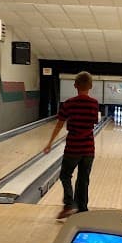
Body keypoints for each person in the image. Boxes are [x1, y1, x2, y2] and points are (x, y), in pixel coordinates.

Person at [43, 71, 100, 220]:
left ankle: (69, 204)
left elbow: (59, 125)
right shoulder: (94, 104)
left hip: (72, 147)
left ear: (75, 85)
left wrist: (50, 143)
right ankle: (82, 210)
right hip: (88, 148)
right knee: (83, 179)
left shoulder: (68, 103)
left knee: (65, 175)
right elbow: (93, 122)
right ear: (91, 86)